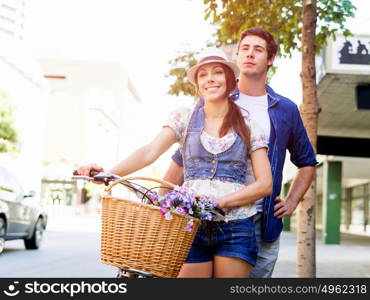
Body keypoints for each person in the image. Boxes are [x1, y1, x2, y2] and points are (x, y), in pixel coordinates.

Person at [76, 48, 272, 278]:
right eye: (203, 75)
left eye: (217, 72)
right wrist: (107, 173)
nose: (210, 79)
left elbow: (265, 184)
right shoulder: (183, 117)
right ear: (198, 84)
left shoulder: (250, 125)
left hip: (236, 226)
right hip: (188, 226)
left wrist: (218, 201)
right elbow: (149, 151)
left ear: (231, 80)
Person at [163, 27, 318, 278]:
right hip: (206, 216)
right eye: (244, 49)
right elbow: (186, 157)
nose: (249, 54)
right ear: (236, 57)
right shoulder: (212, 97)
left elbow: (307, 163)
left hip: (261, 218)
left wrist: (291, 202)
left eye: (258, 50)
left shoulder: (286, 110)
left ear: (270, 60)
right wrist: (165, 199)